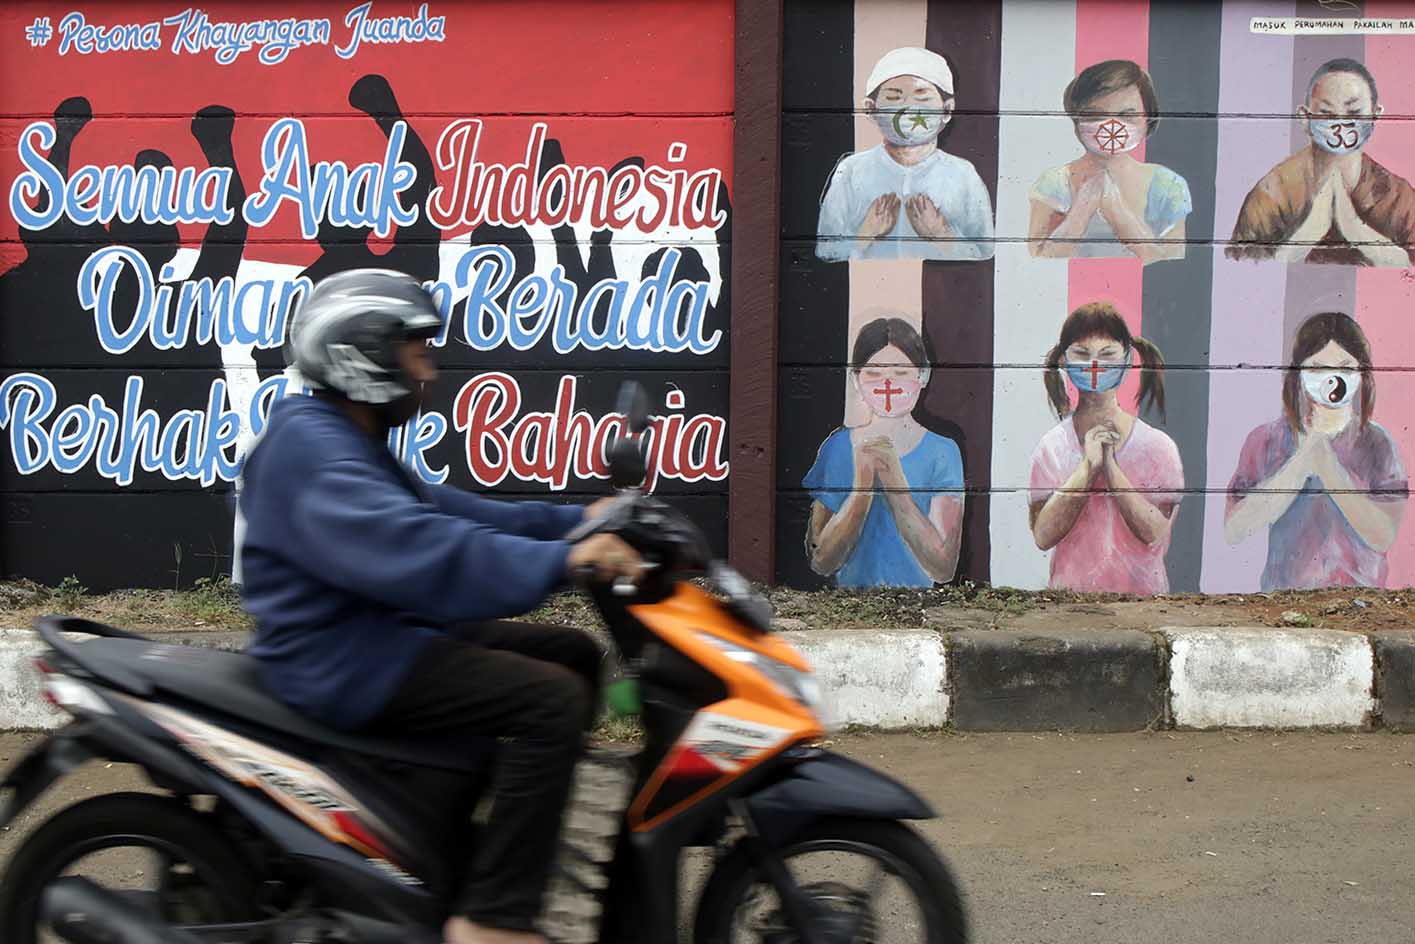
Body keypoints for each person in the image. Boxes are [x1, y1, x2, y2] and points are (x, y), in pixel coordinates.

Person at [238, 269, 642, 944]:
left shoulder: (336, 435)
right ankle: (492, 919)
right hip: (342, 659)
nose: (430, 363)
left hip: (370, 635)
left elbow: (448, 510)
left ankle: (468, 844)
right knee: (548, 700)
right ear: (359, 351)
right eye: (414, 346)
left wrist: (575, 521)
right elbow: (425, 550)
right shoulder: (311, 449)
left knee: (571, 655)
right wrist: (565, 559)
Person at [1225, 312, 1408, 590]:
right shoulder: (1266, 440)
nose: (1332, 379)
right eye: (1318, 368)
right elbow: (1235, 529)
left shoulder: (1378, 444)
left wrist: (1328, 466)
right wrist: (1303, 459)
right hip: (1282, 600)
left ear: (1362, 374)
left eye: (1345, 368)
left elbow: (1383, 535)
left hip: (1361, 603)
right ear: (1299, 374)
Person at [1029, 302, 1183, 594]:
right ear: (1063, 361)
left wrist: (1111, 468)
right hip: (1069, 605)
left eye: (1108, 354)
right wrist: (1087, 468)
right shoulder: (1052, 447)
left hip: (1143, 603)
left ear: (1127, 360)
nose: (1095, 366)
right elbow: (1042, 535)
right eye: (1082, 354)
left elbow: (1155, 533)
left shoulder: (1158, 447)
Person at [803, 317, 964, 587]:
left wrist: (895, 485)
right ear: (856, 379)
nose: (887, 383)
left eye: (901, 372)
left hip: (916, 605)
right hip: (850, 605)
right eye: (874, 373)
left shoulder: (943, 451)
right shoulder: (838, 448)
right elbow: (821, 560)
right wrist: (861, 491)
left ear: (922, 375)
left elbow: (943, 567)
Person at [1227, 58, 1415, 267]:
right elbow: (1239, 270)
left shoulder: (1400, 197)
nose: (1340, 124)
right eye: (1326, 113)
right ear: (1305, 118)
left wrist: (1357, 231)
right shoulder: (1271, 193)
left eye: (1354, 113)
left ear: (1375, 116)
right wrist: (1304, 237)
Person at [815, 46, 995, 262]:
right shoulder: (852, 170)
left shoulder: (963, 174)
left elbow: (985, 252)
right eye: (893, 98)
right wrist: (865, 234)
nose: (909, 109)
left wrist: (941, 235)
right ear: (870, 109)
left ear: (947, 110)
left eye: (922, 98)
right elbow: (826, 251)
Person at [1027, 59, 1192, 265]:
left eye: (1126, 115)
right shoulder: (1053, 182)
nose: (1111, 126)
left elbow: (1172, 264)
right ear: (1077, 120)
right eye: (1096, 115)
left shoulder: (1168, 185)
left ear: (1147, 118)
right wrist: (1080, 211)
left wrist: (1117, 212)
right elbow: (1035, 261)